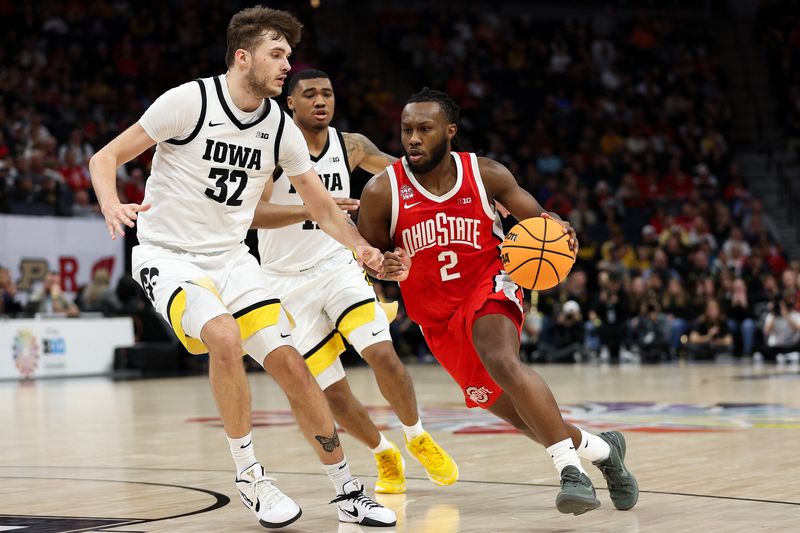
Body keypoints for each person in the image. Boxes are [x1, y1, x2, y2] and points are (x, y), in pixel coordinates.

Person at [89, 6, 395, 529]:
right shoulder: (189, 101)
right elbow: (105, 157)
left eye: (288, 56)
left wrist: (362, 248)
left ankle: (347, 489)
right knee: (224, 338)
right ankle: (250, 478)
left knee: (293, 367)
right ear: (242, 56)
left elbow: (321, 207)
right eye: (277, 55)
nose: (286, 66)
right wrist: (111, 204)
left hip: (233, 259)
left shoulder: (280, 127)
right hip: (168, 255)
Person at [356, 88, 638, 516]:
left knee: (502, 361)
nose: (412, 138)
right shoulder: (382, 191)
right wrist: (383, 266)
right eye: (406, 129)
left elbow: (541, 221)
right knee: (520, 416)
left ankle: (570, 473)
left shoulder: (484, 174)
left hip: (490, 284)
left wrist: (560, 228)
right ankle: (603, 451)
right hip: (436, 319)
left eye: (424, 129)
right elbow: (371, 261)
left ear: (449, 132)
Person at [251, 69, 457, 495]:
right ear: (290, 103)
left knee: (383, 354)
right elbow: (250, 215)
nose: (321, 100)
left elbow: (409, 175)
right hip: (284, 283)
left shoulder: (351, 145)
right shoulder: (269, 151)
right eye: (309, 94)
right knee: (334, 392)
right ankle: (384, 452)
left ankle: (417, 436)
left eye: (327, 92)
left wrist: (468, 186)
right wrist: (314, 209)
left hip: (337, 266)